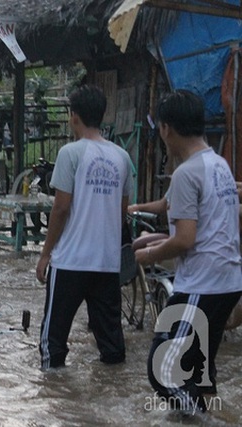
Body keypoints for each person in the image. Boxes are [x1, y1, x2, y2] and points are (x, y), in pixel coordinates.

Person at [134, 90, 242, 413]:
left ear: (167, 129)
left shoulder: (185, 173)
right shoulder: (218, 164)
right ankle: (198, 413)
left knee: (163, 370)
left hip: (201, 285)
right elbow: (208, 229)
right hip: (228, 282)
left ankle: (204, 421)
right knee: (197, 371)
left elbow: (184, 240)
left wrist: (147, 256)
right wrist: (155, 242)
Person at [36, 85, 133, 369]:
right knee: (112, 348)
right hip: (106, 262)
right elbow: (122, 210)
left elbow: (61, 207)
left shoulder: (70, 153)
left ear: (73, 115)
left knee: (52, 345)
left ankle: (55, 398)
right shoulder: (122, 157)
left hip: (71, 261)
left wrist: (45, 254)